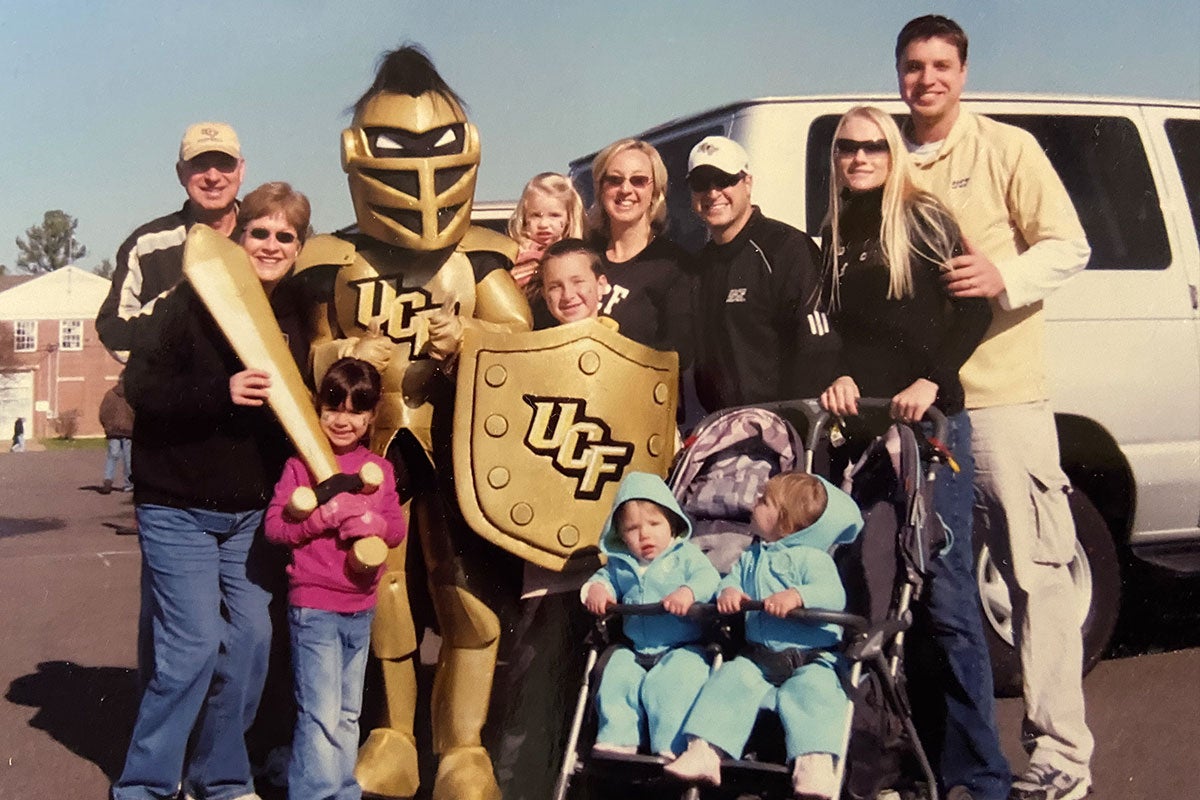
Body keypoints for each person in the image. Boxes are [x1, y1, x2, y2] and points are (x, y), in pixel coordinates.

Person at [293, 45, 531, 800]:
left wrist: (476, 341)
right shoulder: (331, 257)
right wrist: (345, 351)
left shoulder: (484, 257)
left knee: (466, 593)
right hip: (373, 448)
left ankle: (463, 747)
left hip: (466, 449)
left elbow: (533, 351)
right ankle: (392, 735)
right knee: (380, 590)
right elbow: (302, 355)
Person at [895, 16, 1094, 800]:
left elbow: (1069, 244)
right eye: (914, 67)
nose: (927, 80)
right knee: (931, 591)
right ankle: (936, 757)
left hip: (1006, 398)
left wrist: (1002, 276)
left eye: (941, 65)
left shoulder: (1008, 148)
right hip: (923, 409)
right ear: (898, 74)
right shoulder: (888, 158)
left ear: (964, 72)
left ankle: (1060, 756)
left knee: (1035, 578)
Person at [817, 103, 997, 800]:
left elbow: (975, 308)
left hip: (929, 431)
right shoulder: (834, 231)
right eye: (846, 148)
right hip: (865, 431)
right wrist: (835, 376)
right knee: (871, 599)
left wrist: (932, 379)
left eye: (871, 147)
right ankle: (896, 768)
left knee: (947, 601)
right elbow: (838, 335)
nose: (858, 158)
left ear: (892, 153)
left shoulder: (922, 218)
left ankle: (980, 779)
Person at [112, 182, 311, 800]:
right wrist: (218, 395)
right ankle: (145, 783)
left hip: (250, 515)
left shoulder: (294, 320)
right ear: (237, 237)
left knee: (252, 646)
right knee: (192, 648)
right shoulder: (186, 304)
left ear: (299, 248)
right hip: (177, 506)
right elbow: (138, 393)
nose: (271, 245)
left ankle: (221, 777)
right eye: (260, 232)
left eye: (286, 236)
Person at [666, 472, 863, 799]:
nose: (754, 503)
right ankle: (705, 751)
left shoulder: (813, 559)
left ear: (787, 522)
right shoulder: (752, 556)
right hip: (757, 657)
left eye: (764, 501)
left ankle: (814, 767)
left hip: (809, 660)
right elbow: (730, 581)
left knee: (816, 697)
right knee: (728, 682)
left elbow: (831, 594)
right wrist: (729, 590)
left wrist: (797, 596)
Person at [264, 357, 407, 800]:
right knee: (321, 714)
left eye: (356, 410)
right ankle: (315, 794)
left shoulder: (378, 470)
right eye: (334, 406)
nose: (343, 419)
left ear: (371, 416)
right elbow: (275, 527)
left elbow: (396, 527)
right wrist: (322, 518)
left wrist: (373, 523)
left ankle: (340, 790)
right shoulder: (301, 464)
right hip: (316, 606)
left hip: (361, 606)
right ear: (318, 407)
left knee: (347, 712)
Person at [685, 135, 836, 412]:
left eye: (724, 180)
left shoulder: (786, 248)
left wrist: (796, 427)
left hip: (786, 432)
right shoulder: (699, 266)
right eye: (701, 183)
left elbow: (818, 347)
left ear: (747, 183)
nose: (712, 193)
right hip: (724, 431)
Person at [581, 471, 720, 758]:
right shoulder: (621, 565)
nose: (645, 534)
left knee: (672, 685)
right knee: (616, 674)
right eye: (632, 529)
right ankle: (619, 738)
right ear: (619, 535)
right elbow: (602, 579)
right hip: (634, 647)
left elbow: (708, 578)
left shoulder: (686, 556)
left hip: (682, 646)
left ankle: (670, 745)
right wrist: (597, 590)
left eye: (654, 524)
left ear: (671, 523)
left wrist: (688, 592)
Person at [96, 121, 246, 361]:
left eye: (224, 164)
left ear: (241, 170)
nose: (213, 176)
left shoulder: (267, 239)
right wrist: (180, 299)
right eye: (199, 164)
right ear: (180, 173)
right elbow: (115, 332)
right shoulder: (146, 244)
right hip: (174, 389)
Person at [586, 138, 692, 361]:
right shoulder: (584, 257)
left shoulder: (674, 265)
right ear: (600, 187)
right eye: (614, 180)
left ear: (655, 191)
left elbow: (677, 355)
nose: (625, 189)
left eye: (639, 181)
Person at [507, 172, 586, 290]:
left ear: (569, 218)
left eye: (554, 215)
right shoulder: (514, 254)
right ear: (524, 217)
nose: (543, 224)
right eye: (536, 215)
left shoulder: (577, 256)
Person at [539, 238, 609, 325]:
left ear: (600, 286)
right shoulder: (535, 338)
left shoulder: (616, 338)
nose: (567, 296)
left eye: (577, 282)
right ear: (545, 294)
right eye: (555, 287)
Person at [99, 373, 135, 493]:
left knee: (112, 456)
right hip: (128, 431)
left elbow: (103, 413)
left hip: (113, 431)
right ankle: (128, 484)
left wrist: (107, 427)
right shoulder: (132, 395)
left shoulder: (110, 394)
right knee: (128, 458)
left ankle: (108, 480)